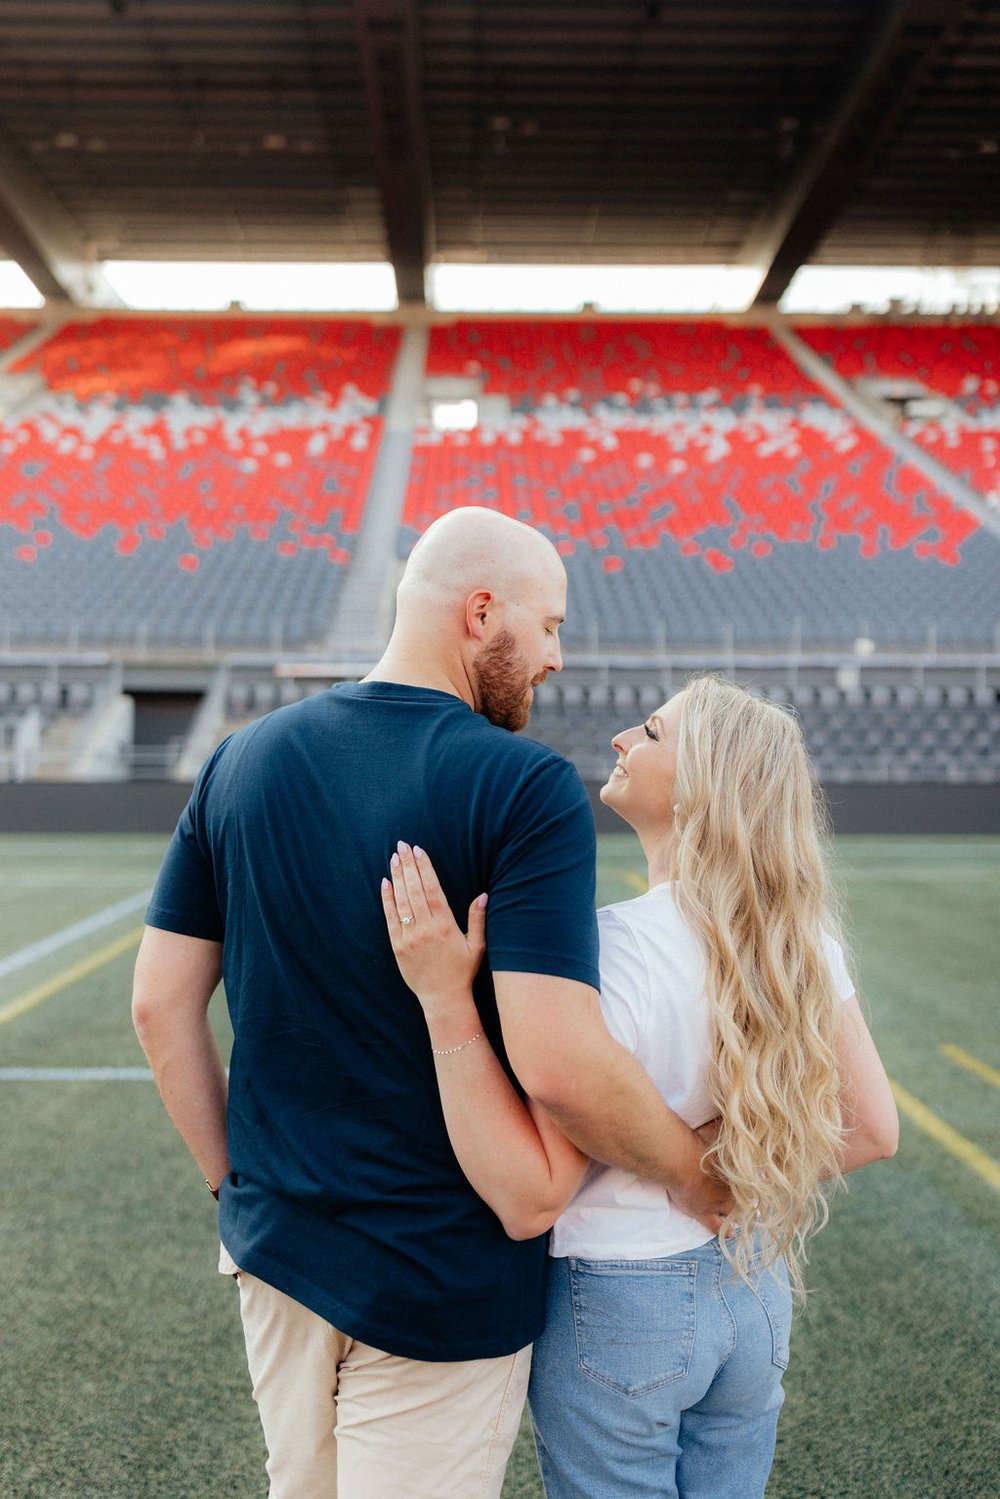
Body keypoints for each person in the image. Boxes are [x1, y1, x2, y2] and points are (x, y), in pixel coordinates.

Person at [131, 506, 729, 1499]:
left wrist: (232, 1191)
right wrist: (694, 1169)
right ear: (481, 610)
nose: (556, 659)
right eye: (552, 626)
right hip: (440, 1275)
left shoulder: (241, 758)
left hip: (276, 1254)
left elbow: (159, 1006)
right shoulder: (523, 784)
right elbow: (559, 1063)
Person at [382, 674, 899, 1499]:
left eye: (653, 733)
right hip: (751, 1290)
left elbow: (532, 1181)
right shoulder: (801, 940)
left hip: (618, 1301)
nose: (623, 737)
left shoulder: (607, 949)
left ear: (701, 792)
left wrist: (445, 997)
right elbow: (873, 1128)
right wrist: (733, 1176)